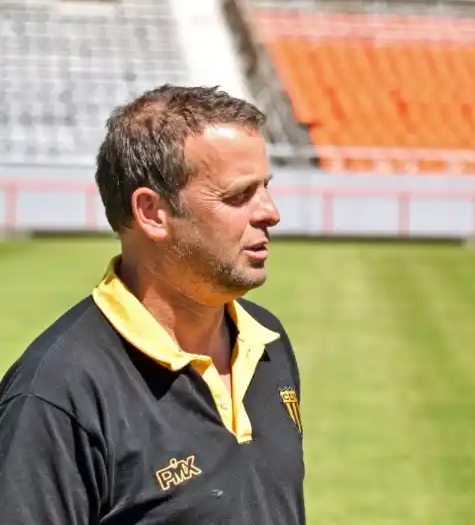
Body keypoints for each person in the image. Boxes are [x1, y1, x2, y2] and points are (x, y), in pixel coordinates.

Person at [0, 85, 305, 524]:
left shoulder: (267, 342)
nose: (270, 212)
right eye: (239, 195)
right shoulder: (57, 392)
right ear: (152, 212)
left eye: (266, 188)